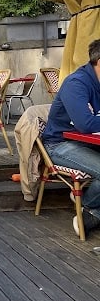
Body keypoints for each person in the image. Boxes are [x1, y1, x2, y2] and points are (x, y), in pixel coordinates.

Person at [42, 38, 100, 236]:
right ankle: (89, 208)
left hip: (87, 144)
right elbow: (86, 124)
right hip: (59, 145)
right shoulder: (77, 83)